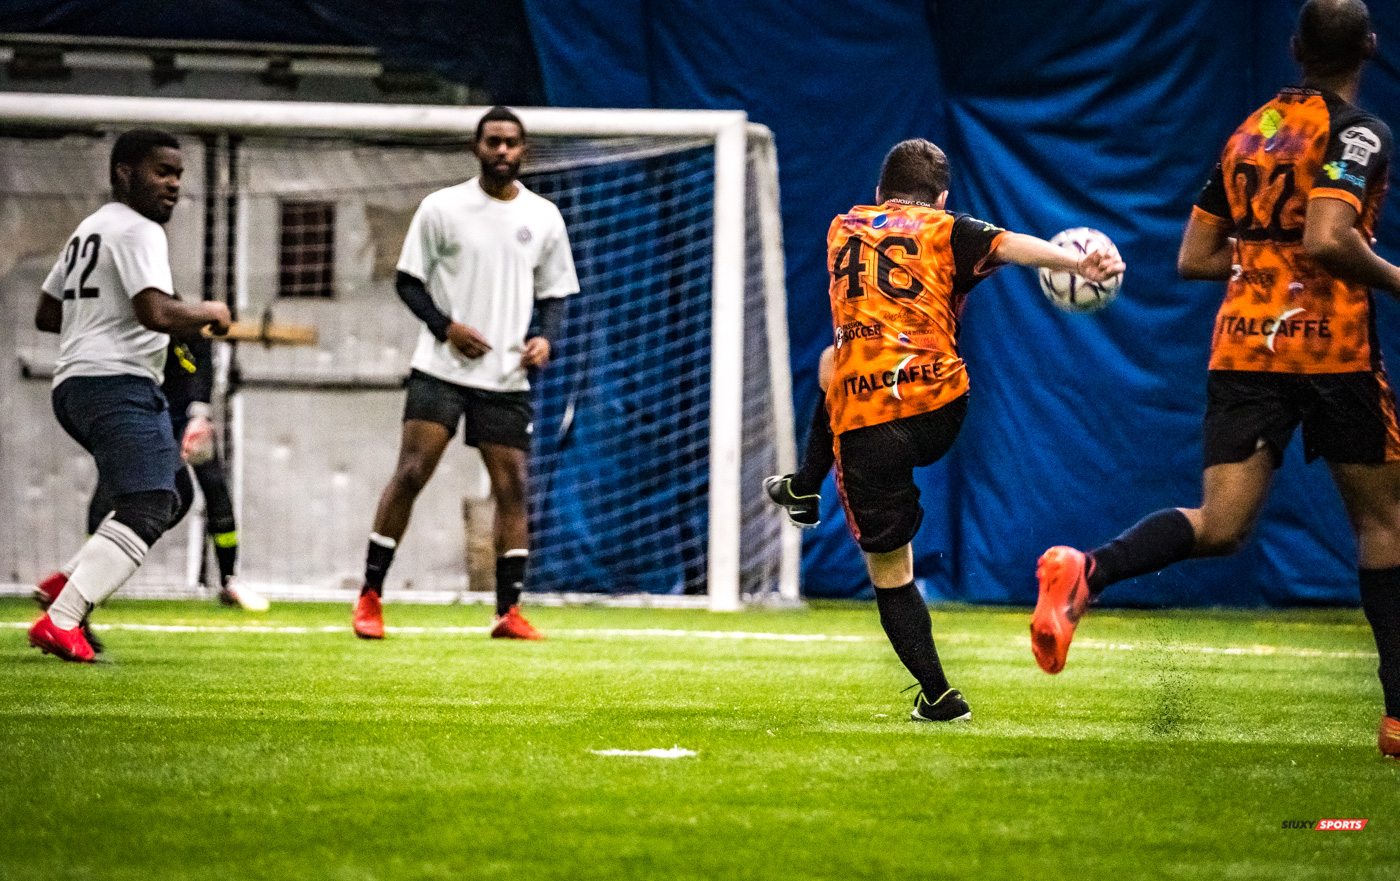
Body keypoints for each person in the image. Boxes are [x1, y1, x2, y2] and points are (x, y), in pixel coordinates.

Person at [1031, 0, 1400, 758]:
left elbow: (1195, 257)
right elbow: (1330, 237)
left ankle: (1089, 570)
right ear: (1369, 45)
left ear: (1295, 47)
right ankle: (1398, 716)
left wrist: (1263, 261)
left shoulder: (1251, 132)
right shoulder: (1359, 132)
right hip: (1330, 348)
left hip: (1244, 345)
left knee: (1221, 523)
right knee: (1385, 524)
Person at [769, 138, 1123, 722]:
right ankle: (804, 485)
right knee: (832, 364)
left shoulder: (843, 229)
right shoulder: (945, 228)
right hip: (941, 406)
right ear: (941, 197)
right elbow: (1009, 244)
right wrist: (1076, 263)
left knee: (891, 572)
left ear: (880, 192)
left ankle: (938, 695)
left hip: (868, 422)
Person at [352, 106, 577, 640]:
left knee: (513, 487)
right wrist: (446, 327)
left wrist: (546, 338)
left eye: (512, 143)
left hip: (504, 378)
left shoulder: (544, 216)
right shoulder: (441, 208)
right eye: (493, 142)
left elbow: (557, 295)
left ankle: (507, 612)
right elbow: (409, 282)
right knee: (412, 473)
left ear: (525, 151)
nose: (502, 151)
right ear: (476, 148)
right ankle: (369, 598)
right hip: (441, 370)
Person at [28, 128, 231, 662]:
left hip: (76, 384)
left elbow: (48, 314)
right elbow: (157, 313)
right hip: (115, 384)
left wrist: (101, 321)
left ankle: (67, 580)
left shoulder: (88, 229)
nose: (173, 185)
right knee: (146, 505)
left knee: (176, 493)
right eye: (161, 172)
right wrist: (208, 312)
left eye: (179, 175)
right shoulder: (140, 230)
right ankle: (63, 618)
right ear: (124, 172)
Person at [37, 336, 269, 615]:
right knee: (136, 493)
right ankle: (78, 582)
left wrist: (200, 412)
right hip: (142, 414)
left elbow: (199, 356)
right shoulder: (139, 317)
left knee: (197, 489)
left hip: (177, 415)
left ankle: (230, 579)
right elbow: (49, 316)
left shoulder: (176, 319)